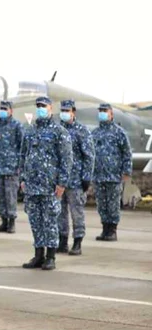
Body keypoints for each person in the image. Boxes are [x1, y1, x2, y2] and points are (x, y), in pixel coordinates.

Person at [20, 96, 72, 271]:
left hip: (50, 186)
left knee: (50, 221)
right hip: (32, 185)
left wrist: (62, 183)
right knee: (35, 221)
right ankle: (38, 255)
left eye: (43, 106)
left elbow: (66, 159)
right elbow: (23, 156)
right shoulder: (30, 130)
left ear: (51, 108)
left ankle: (51, 256)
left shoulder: (59, 131)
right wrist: (22, 179)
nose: (40, 109)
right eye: (38, 106)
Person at [57, 100, 94, 255]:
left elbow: (89, 156)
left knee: (76, 212)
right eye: (62, 110)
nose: (64, 113)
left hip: (76, 180)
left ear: (73, 112)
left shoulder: (82, 131)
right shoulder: (57, 130)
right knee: (60, 213)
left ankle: (77, 242)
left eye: (67, 110)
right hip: (60, 181)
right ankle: (62, 241)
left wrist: (86, 177)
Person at [91, 103, 132, 241]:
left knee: (113, 204)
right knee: (102, 204)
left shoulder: (119, 132)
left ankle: (112, 230)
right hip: (98, 175)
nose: (102, 113)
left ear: (111, 114)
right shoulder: (95, 133)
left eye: (105, 111)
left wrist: (126, 171)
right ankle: (105, 229)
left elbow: (127, 153)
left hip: (114, 176)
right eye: (100, 111)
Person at [0, 100, 23, 234]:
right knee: (0, 197)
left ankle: (12, 222)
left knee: (10, 196)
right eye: (1, 108)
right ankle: (3, 221)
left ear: (11, 111)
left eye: (5, 108)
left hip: (11, 169)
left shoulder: (17, 126)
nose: (2, 111)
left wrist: (19, 165)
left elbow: (22, 147)